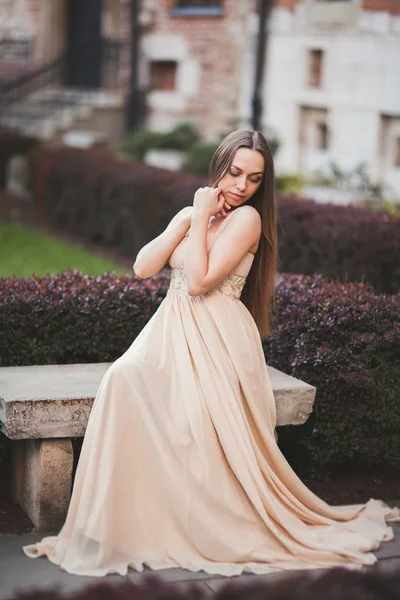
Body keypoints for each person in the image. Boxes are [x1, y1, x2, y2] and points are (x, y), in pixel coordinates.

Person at [23, 130, 399, 577]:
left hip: (217, 334)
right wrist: (188, 217)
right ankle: (131, 517)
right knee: (123, 380)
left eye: (254, 179)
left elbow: (200, 282)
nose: (241, 186)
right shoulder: (193, 213)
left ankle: (199, 521)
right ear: (218, 167)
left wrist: (199, 216)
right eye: (234, 172)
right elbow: (144, 268)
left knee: (191, 418)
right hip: (169, 329)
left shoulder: (247, 222)